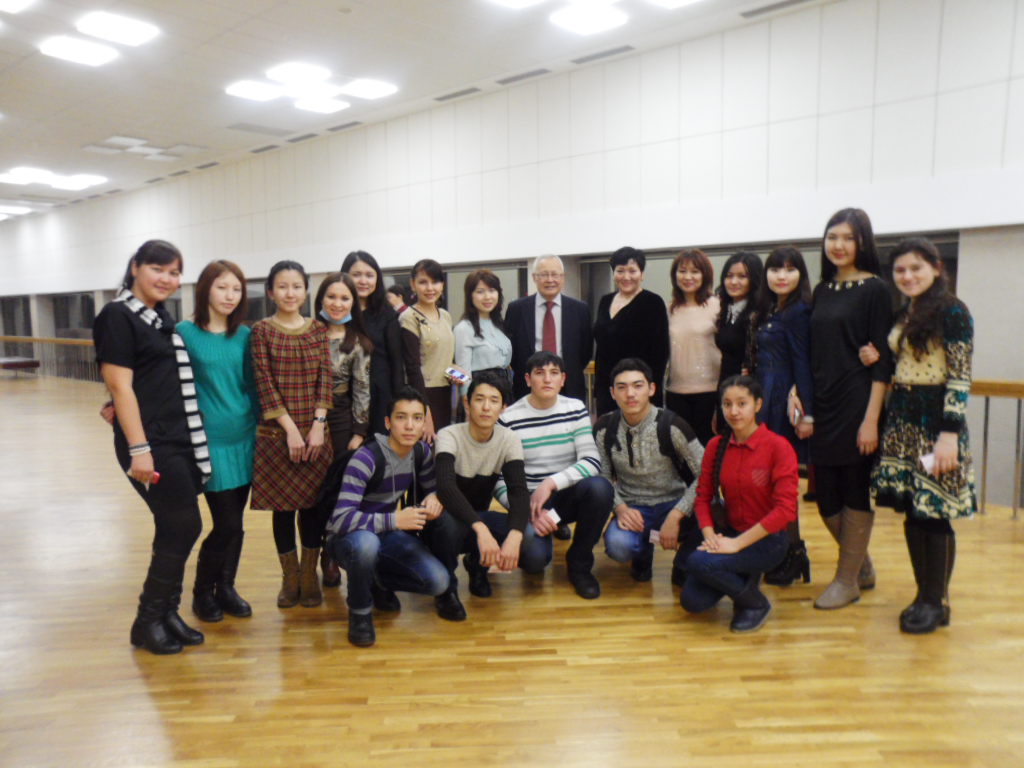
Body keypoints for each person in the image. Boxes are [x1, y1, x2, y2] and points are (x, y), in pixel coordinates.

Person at [94, 240, 211, 654]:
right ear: (135, 268)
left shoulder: (159, 317)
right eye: (158, 269)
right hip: (151, 442)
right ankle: (147, 621)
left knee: (174, 526)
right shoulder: (117, 315)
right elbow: (120, 386)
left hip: (178, 436)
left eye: (174, 272)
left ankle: (166, 614)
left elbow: (153, 379)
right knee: (183, 525)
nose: (166, 279)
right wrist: (139, 448)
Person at [866, 238, 975, 634]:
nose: (908, 276)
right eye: (900, 270)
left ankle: (936, 601)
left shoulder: (953, 311)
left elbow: (959, 377)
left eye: (916, 268)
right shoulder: (904, 313)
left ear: (935, 268)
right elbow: (901, 362)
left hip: (935, 426)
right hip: (902, 423)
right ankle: (922, 595)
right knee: (913, 512)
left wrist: (949, 435)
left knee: (934, 513)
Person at [807, 208, 893, 610]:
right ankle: (862, 565)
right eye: (832, 237)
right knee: (825, 497)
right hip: (824, 402)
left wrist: (871, 420)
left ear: (862, 243)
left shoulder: (876, 289)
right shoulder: (822, 290)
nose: (838, 245)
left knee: (854, 488)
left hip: (859, 401)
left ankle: (847, 581)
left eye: (847, 238)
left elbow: (883, 362)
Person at [325, 387, 452, 647]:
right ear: (387, 423)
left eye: (417, 418)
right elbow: (341, 519)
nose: (409, 426)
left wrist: (434, 497)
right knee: (366, 544)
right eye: (401, 417)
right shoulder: (366, 458)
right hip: (349, 538)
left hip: (387, 534)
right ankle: (360, 611)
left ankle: (375, 581)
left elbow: (432, 488)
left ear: (424, 423)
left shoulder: (421, 452)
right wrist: (394, 520)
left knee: (438, 582)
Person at [677, 376, 798, 633]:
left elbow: (786, 510)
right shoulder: (715, 446)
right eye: (727, 404)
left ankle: (755, 603)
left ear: (758, 404)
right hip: (730, 532)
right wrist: (710, 537)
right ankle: (744, 575)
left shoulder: (778, 447)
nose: (734, 411)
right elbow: (703, 496)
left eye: (742, 403)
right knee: (692, 601)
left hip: (768, 541)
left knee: (698, 562)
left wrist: (736, 545)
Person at [495, 352, 614, 599]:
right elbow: (498, 479)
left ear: (563, 379)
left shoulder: (575, 408)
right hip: (530, 504)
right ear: (527, 379)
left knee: (600, 488)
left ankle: (579, 563)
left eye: (554, 373)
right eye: (539, 373)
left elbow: (591, 461)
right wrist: (526, 511)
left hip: (565, 499)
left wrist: (550, 483)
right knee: (534, 562)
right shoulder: (508, 419)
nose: (547, 379)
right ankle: (541, 532)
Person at [250, 260, 333, 610]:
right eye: (282, 286)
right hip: (277, 434)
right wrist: (290, 431)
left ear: (306, 291)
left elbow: (325, 380)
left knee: (312, 508)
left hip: (315, 434)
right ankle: (290, 578)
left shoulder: (318, 330)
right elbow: (264, 384)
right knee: (282, 510)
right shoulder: (261, 331)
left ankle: (309, 576)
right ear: (271, 292)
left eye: (296, 286)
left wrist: (317, 425)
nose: (290, 293)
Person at [179, 261, 259, 623]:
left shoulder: (244, 335)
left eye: (236, 289)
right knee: (226, 523)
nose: (230, 295)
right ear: (205, 289)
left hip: (245, 437)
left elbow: (252, 386)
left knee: (236, 522)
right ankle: (202, 592)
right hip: (209, 443)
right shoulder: (184, 333)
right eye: (222, 287)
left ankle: (226, 588)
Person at [428, 371, 534, 612]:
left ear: (503, 408)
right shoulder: (449, 435)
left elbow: (518, 491)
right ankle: (447, 590)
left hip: (477, 518)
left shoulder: (509, 439)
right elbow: (446, 488)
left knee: (525, 532)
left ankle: (477, 566)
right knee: (448, 524)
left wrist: (515, 534)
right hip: (445, 520)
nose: (486, 407)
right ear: (467, 403)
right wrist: (481, 529)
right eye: (479, 399)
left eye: (494, 401)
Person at [595, 358, 704, 584]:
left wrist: (677, 514)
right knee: (618, 546)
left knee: (715, 510)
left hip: (674, 502)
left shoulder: (672, 425)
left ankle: (683, 562)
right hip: (633, 506)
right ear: (613, 393)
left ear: (652, 389)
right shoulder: (605, 428)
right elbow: (602, 477)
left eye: (638, 386)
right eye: (622, 387)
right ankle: (642, 554)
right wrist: (620, 508)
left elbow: (706, 473)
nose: (630, 394)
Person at [748, 246, 814, 586]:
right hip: (764, 398)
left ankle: (793, 553)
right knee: (766, 482)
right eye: (775, 269)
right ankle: (779, 550)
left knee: (782, 484)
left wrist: (808, 414)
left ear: (801, 274)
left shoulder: (799, 311)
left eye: (789, 269)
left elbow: (803, 362)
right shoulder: (772, 309)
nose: (782, 276)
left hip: (782, 404)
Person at [313, 271, 372, 587]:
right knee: (310, 493)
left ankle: (330, 553)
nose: (337, 303)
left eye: (344, 298)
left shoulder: (357, 342)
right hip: (304, 417)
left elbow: (362, 388)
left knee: (335, 491)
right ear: (321, 299)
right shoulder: (308, 333)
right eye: (331, 296)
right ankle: (307, 560)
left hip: (340, 421)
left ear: (353, 303)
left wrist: (358, 432)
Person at [505, 254, 593, 404]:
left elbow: (585, 351)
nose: (550, 280)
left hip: (569, 387)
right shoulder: (517, 309)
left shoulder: (580, 309)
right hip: (528, 387)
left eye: (555, 274)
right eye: (544, 275)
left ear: (563, 277)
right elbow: (511, 350)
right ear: (534, 277)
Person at [593, 247, 669, 415]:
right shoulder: (605, 301)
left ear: (642, 274)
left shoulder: (653, 302)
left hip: (637, 390)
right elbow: (601, 351)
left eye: (632, 271)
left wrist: (651, 391)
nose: (626, 277)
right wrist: (598, 390)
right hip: (608, 389)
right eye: (620, 271)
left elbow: (661, 354)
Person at [342, 250, 406, 435]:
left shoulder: (388, 315)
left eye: (369, 275)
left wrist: (399, 406)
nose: (363, 281)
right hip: (344, 397)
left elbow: (396, 365)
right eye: (356, 275)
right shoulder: (338, 313)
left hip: (380, 395)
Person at [665, 248, 721, 445]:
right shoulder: (670, 308)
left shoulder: (717, 306)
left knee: (707, 450)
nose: (688, 277)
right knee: (680, 450)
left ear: (705, 275)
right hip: (675, 392)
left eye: (695, 271)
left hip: (710, 392)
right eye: (682, 271)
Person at [400, 258, 455, 442]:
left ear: (442, 285)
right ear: (413, 284)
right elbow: (412, 368)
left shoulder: (445, 316)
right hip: (422, 394)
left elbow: (444, 358)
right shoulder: (409, 318)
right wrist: (425, 413)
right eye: (423, 282)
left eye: (435, 282)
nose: (430, 288)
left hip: (446, 392)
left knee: (444, 447)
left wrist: (456, 371)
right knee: (426, 448)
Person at [452, 269, 512, 399]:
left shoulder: (499, 324)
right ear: (470, 295)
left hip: (504, 392)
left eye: (492, 290)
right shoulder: (464, 329)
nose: (487, 297)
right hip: (479, 395)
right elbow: (463, 375)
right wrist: (467, 401)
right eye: (480, 292)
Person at [714, 251, 763, 385]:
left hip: (747, 386)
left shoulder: (758, 314)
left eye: (742, 276)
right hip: (725, 382)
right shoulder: (725, 309)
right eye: (729, 276)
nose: (734, 282)